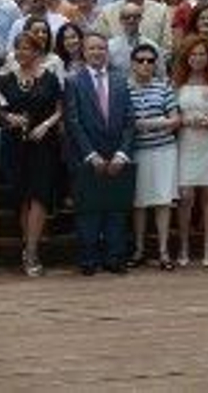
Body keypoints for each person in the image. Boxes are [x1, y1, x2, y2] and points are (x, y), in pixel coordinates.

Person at [63, 33, 134, 275]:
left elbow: (129, 121)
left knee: (116, 209)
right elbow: (73, 121)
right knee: (88, 210)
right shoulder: (73, 81)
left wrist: (122, 154)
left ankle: (114, 258)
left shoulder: (120, 79)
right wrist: (90, 154)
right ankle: (88, 258)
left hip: (117, 155)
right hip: (87, 156)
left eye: (102, 48)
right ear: (83, 52)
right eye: (92, 48)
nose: (97, 52)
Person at [0, 30, 64, 277]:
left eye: (27, 48)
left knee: (40, 196)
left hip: (43, 144)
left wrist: (45, 126)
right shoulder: (5, 79)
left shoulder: (50, 78)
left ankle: (32, 251)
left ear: (37, 51)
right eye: (18, 48)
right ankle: (27, 247)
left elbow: (60, 109)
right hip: (15, 145)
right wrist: (9, 117)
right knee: (22, 197)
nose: (22, 52)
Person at [173, 34, 208, 267]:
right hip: (187, 141)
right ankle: (184, 245)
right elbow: (172, 115)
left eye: (202, 54)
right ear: (186, 57)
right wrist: (185, 121)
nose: (198, 58)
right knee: (186, 196)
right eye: (194, 54)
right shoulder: (177, 84)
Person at [127, 42, 181, 270]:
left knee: (163, 202)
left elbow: (176, 120)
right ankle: (139, 251)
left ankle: (164, 252)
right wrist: (159, 122)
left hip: (164, 151)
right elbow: (129, 124)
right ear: (132, 63)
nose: (146, 64)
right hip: (137, 151)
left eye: (150, 60)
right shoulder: (125, 89)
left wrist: (146, 124)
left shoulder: (164, 87)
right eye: (141, 60)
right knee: (138, 204)